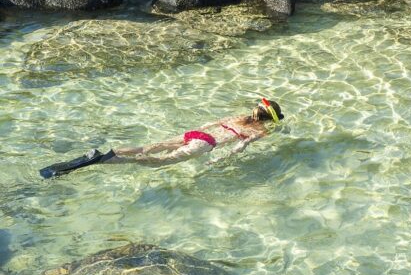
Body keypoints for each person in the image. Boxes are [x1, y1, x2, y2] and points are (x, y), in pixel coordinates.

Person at [40, 99, 284, 179]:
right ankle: (104, 160)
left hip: (196, 134)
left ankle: (113, 151)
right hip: (206, 144)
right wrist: (219, 162)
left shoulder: (240, 117)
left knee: (150, 146)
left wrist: (194, 135)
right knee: (158, 161)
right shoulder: (260, 131)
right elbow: (240, 147)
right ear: (270, 119)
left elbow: (208, 124)